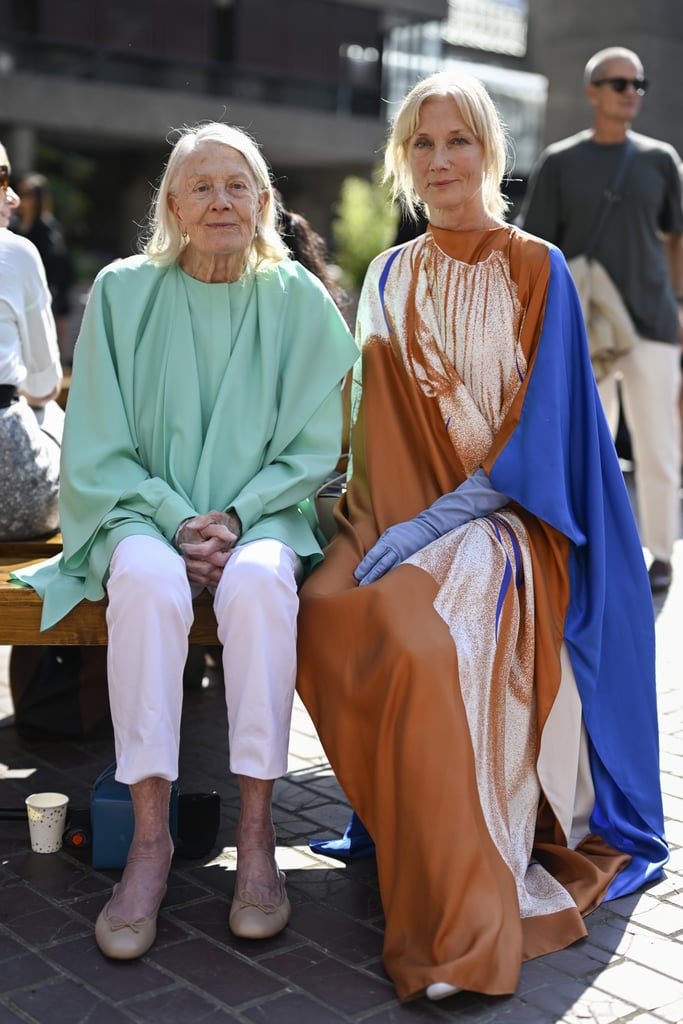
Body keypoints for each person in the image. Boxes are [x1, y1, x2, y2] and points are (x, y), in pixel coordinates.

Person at [295, 71, 668, 1003]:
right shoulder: (387, 275)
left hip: (514, 522)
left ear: (489, 151)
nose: (439, 160)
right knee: (322, 605)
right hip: (397, 513)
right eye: (421, 144)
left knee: (429, 637)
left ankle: (460, 915)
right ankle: (409, 826)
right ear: (402, 161)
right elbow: (373, 430)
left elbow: (543, 436)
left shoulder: (534, 264)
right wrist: (373, 519)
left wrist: (442, 517)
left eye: (456, 140)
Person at [15, 121, 358, 960]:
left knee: (259, 586)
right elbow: (96, 440)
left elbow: (318, 444)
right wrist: (176, 518)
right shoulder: (125, 290)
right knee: (149, 585)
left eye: (236, 185)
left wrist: (237, 518)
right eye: (200, 186)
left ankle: (255, 836)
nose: (219, 201)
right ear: (171, 204)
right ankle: (150, 841)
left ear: (264, 202)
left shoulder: (295, 297)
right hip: (140, 511)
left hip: (263, 515)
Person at [520, 47, 683, 593]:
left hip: (654, 326)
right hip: (582, 328)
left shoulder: (661, 160)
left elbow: (676, 238)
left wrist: (678, 303)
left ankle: (659, 555)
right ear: (593, 92)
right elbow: (537, 249)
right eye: (618, 83)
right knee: (589, 448)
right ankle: (591, 552)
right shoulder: (560, 163)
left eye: (639, 83)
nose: (631, 92)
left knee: (658, 447)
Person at [0, 142, 64, 540]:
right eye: (0, 178)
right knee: (53, 414)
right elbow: (45, 385)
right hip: (13, 500)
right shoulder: (16, 251)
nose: (12, 196)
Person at [10, 172, 76, 364]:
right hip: (17, 288)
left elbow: (58, 262)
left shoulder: (48, 228)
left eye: (29, 194)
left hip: (43, 288)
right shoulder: (12, 224)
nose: (23, 199)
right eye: (22, 193)